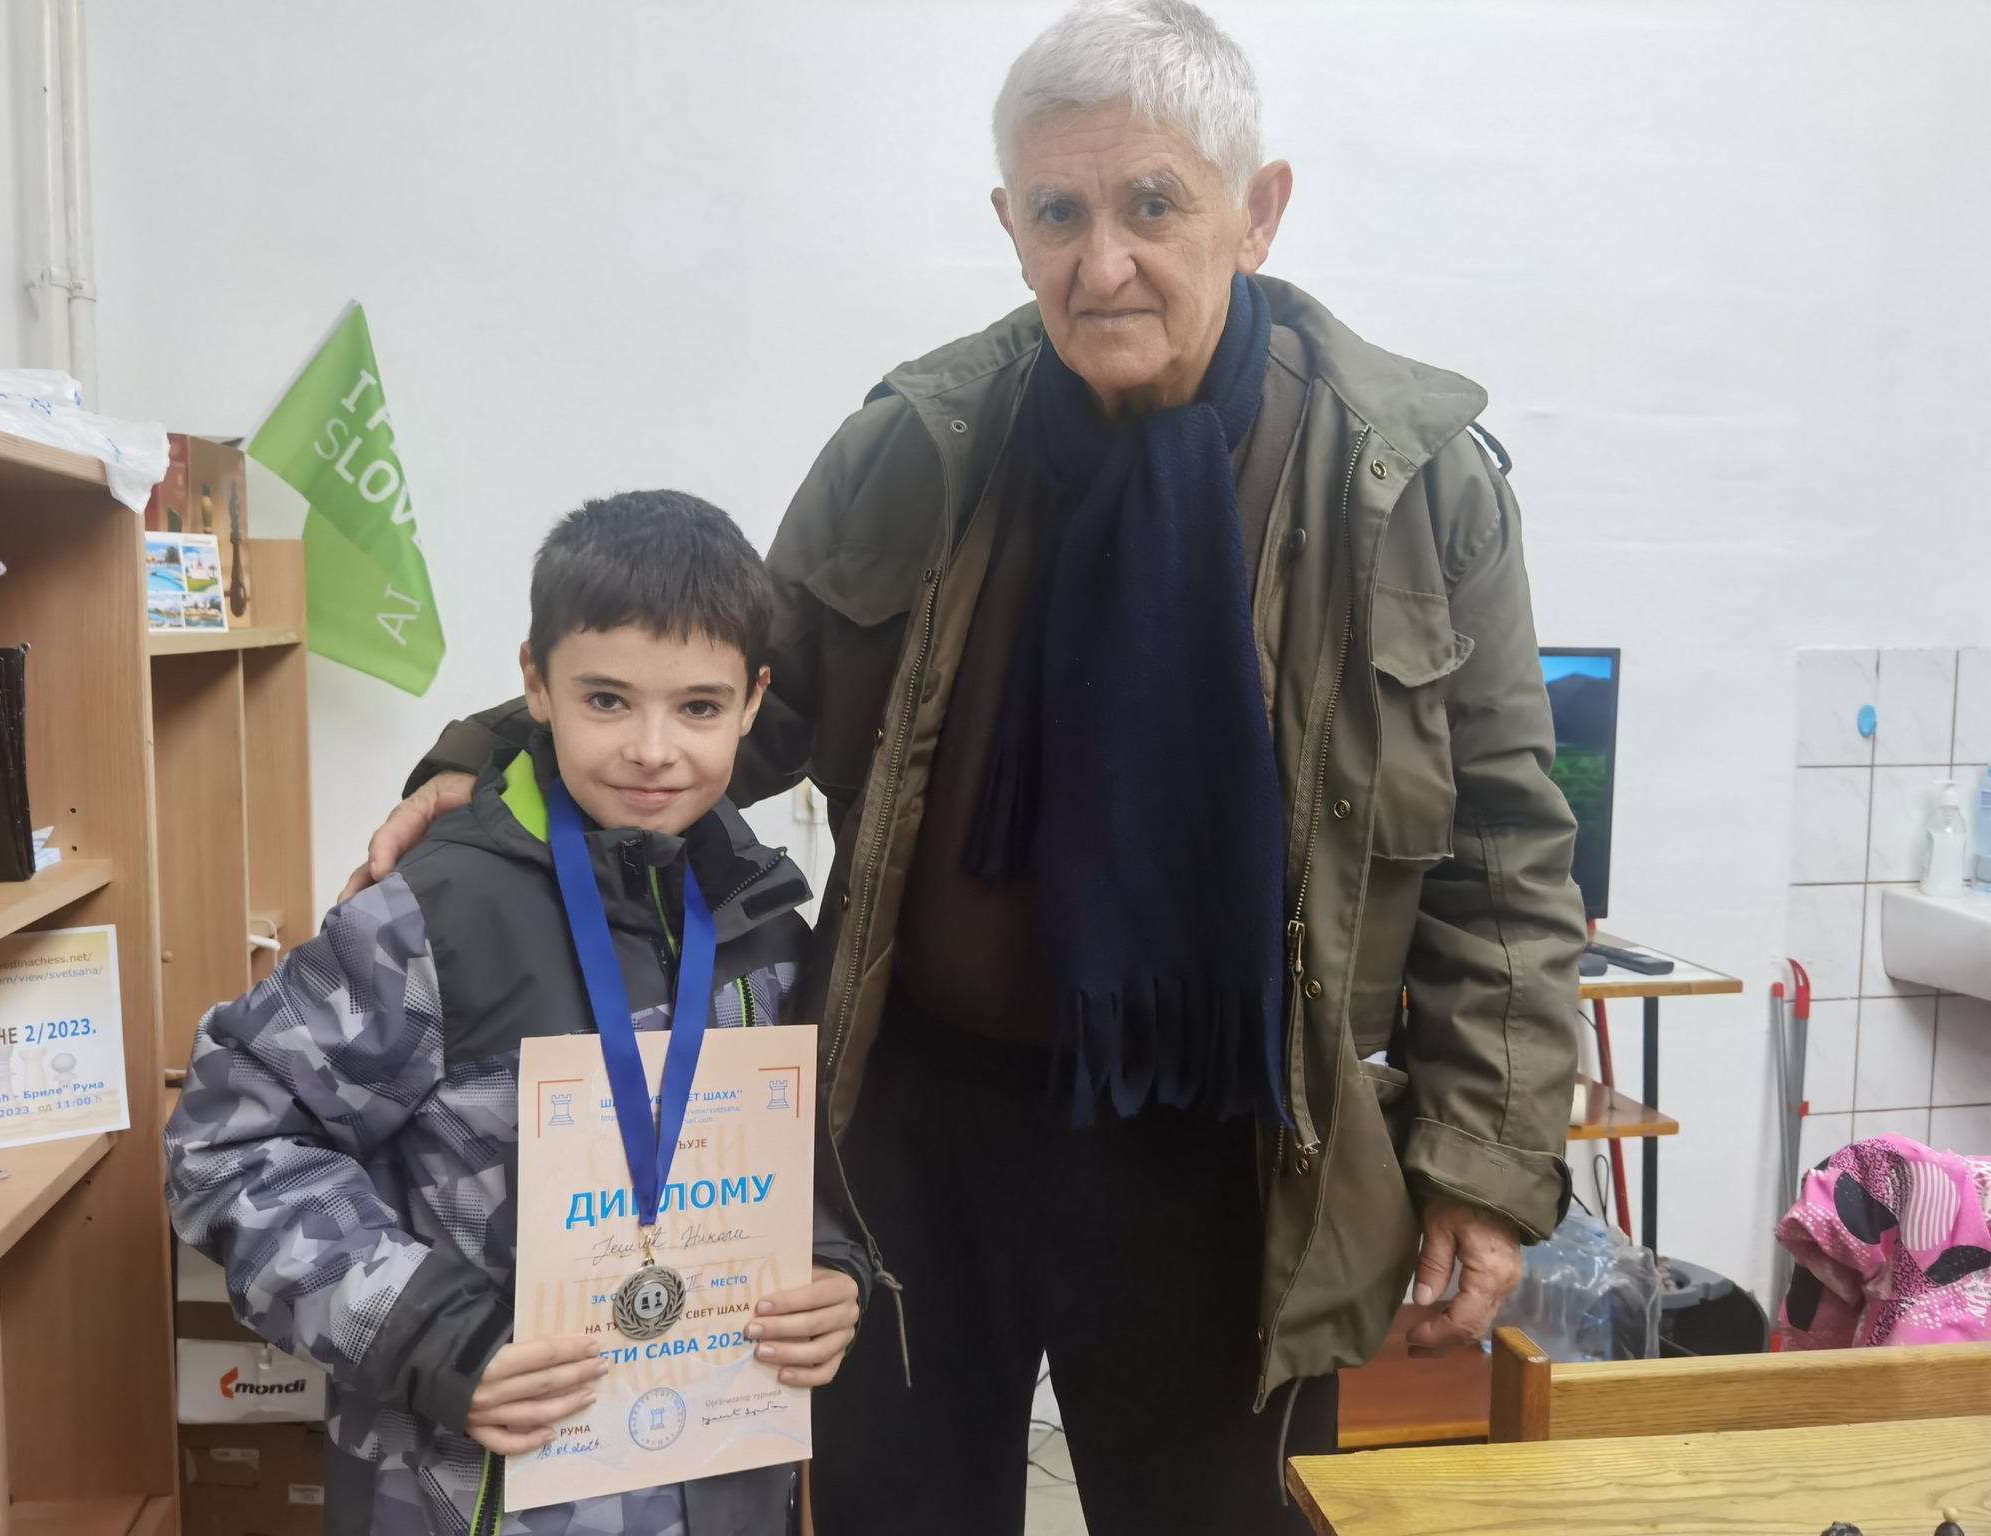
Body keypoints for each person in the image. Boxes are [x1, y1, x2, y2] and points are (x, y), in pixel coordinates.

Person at [352, 2, 1585, 1529]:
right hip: (916, 1134)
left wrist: (1480, 1162)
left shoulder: (1412, 484)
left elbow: (1504, 855)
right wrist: (497, 760)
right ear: (1010, 225)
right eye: (1058, 214)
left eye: (1152, 205)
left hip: (1233, 1151)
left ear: (1258, 210)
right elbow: (743, 692)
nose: (1101, 263)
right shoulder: (921, 443)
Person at [165, 491, 869, 1536]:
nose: (653, 749)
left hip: (718, 1480)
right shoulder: (433, 917)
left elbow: (808, 1163)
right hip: (472, 1495)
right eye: (607, 700)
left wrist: (832, 1269)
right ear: (535, 682)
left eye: (699, 708)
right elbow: (225, 1147)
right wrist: (438, 1340)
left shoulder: (765, 918)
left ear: (753, 702)